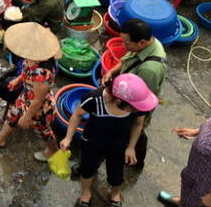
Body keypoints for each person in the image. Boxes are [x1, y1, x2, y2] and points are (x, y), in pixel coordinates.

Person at [61, 74, 158, 207]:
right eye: (133, 108)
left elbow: (138, 124)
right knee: (87, 170)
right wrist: (68, 137)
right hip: (92, 142)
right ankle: (85, 193)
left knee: (116, 174)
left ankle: (115, 194)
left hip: (118, 145)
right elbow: (77, 114)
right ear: (118, 101)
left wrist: (131, 147)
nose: (137, 110)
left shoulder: (136, 106)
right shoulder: (94, 99)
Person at [0, 22, 60, 162]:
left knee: (44, 131)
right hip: (25, 97)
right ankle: (0, 139)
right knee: (13, 115)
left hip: (38, 108)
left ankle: (52, 151)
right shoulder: (31, 59)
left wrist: (27, 116)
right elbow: (25, 72)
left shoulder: (42, 74)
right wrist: (18, 80)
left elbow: (38, 101)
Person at [102, 18, 166, 169]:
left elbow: (139, 105)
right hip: (129, 93)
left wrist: (115, 103)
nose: (124, 46)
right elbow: (127, 60)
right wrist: (111, 72)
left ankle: (134, 159)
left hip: (136, 105)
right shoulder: (149, 43)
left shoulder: (149, 70)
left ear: (142, 42)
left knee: (135, 128)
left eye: (126, 43)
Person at [158, 83, 211, 207]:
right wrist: (194, 132)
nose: (210, 105)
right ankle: (182, 202)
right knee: (187, 196)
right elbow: (210, 126)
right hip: (193, 173)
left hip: (207, 187)